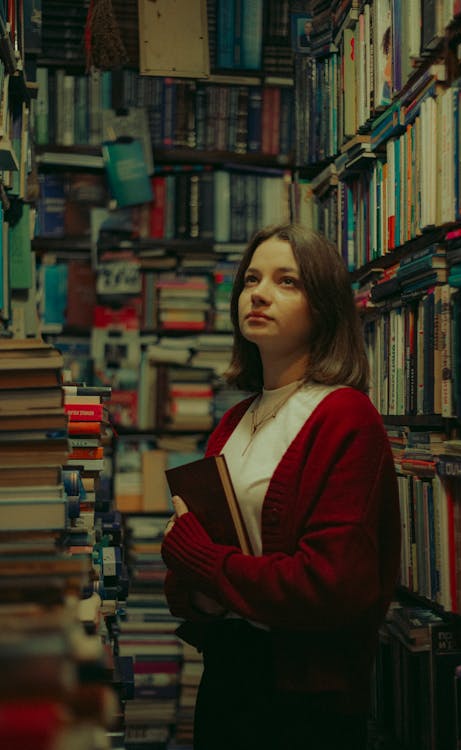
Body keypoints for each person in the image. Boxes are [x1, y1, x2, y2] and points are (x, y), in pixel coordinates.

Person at [161, 223, 401, 750]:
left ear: (324, 305)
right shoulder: (237, 420)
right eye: (251, 279)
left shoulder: (344, 416)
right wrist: (200, 583)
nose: (259, 293)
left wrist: (205, 567)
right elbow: (189, 578)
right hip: (229, 680)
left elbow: (331, 586)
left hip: (300, 702)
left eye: (286, 281)